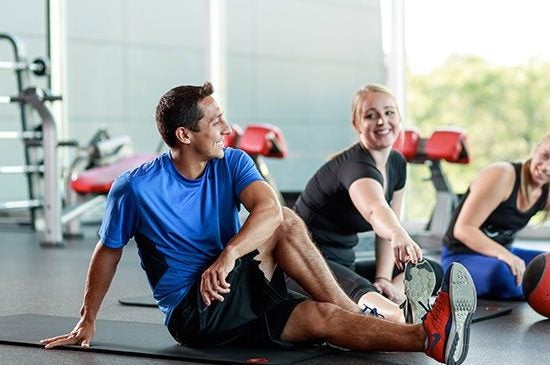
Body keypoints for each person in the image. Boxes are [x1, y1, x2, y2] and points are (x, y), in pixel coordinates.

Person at [40, 82, 476, 365]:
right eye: (215, 122)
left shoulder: (231, 163)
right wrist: (87, 320)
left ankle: (425, 338)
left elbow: (266, 208)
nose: (226, 128)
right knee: (287, 225)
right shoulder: (134, 188)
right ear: (185, 135)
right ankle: (377, 315)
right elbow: (108, 250)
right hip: (196, 313)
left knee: (321, 316)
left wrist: (229, 254)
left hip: (238, 283)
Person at [291, 84, 443, 323]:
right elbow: (375, 210)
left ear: (399, 118)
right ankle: (400, 317)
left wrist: (383, 278)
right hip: (305, 264)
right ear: (357, 124)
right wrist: (397, 232)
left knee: (428, 270)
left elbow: (388, 225)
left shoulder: (396, 163)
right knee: (363, 290)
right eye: (371, 115)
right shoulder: (356, 166)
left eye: (389, 113)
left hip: (344, 264)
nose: (382, 121)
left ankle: (393, 300)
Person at [442, 135, 550, 299]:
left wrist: (506, 255)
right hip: (460, 256)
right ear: (536, 149)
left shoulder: (546, 191)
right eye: (545, 155)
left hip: (501, 253)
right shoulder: (503, 175)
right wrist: (505, 255)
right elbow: (463, 229)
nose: (547, 167)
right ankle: (539, 293)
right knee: (502, 275)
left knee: (547, 265)